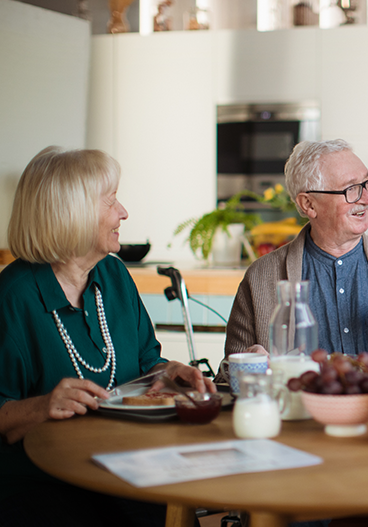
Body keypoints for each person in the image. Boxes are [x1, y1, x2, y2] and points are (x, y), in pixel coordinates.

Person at [0, 147, 214, 527]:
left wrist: (167, 374)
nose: (124, 212)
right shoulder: (13, 296)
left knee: (175, 514)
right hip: (43, 479)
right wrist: (44, 405)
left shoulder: (114, 276)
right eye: (111, 200)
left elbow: (147, 363)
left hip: (125, 462)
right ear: (73, 212)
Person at [222, 139, 368, 377]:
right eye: (351, 189)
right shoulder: (261, 277)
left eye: (367, 183)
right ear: (309, 204)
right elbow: (225, 377)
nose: (367, 198)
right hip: (300, 413)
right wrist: (248, 365)